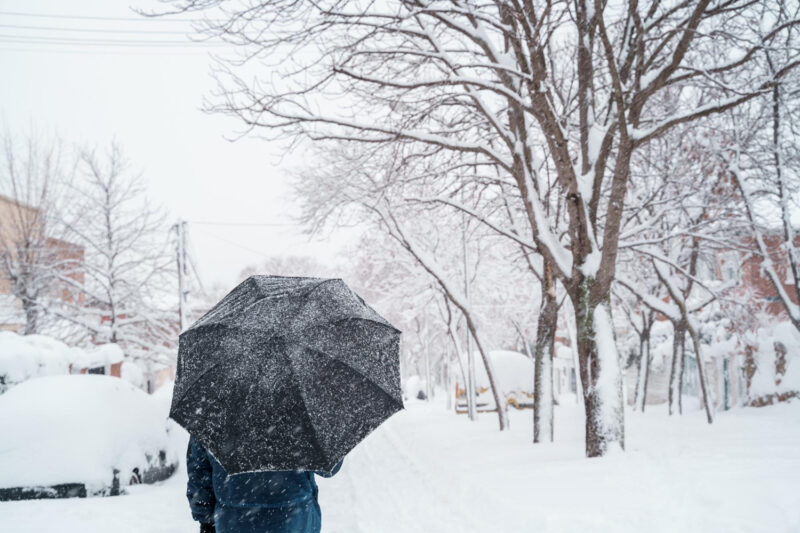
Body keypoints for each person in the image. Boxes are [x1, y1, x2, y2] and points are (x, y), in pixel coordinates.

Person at [186, 435, 342, 533]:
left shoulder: (214, 404)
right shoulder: (300, 404)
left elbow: (199, 475)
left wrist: (206, 520)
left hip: (233, 521)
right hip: (295, 519)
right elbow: (330, 468)